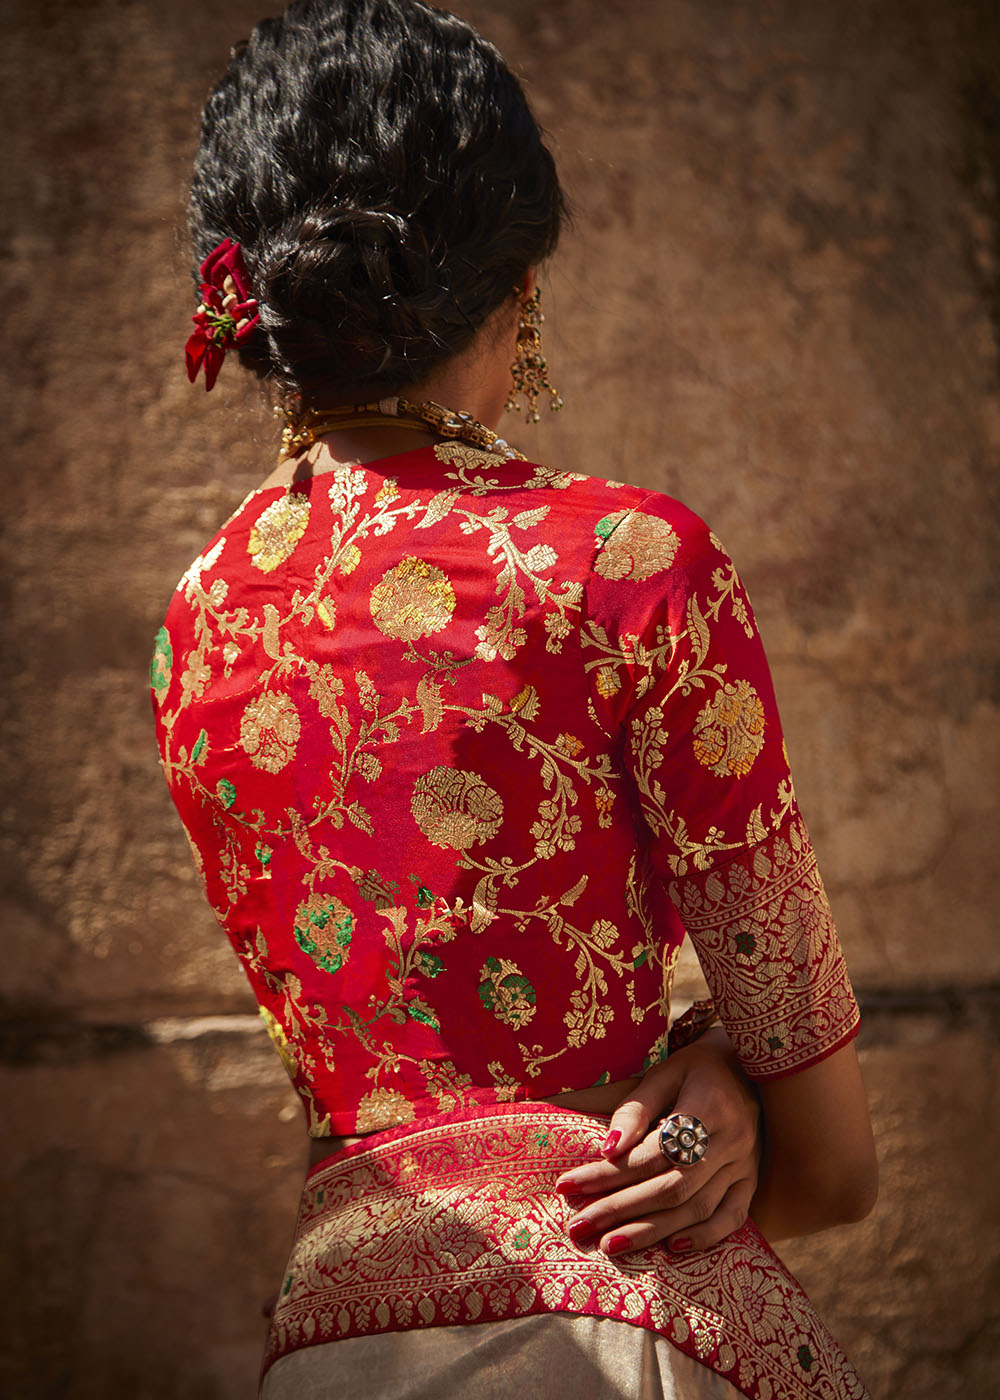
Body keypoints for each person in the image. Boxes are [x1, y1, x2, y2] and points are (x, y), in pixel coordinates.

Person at [151, 1, 878, 1395]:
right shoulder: (625, 566)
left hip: (327, 1350)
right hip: (613, 1328)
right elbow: (833, 1178)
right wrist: (715, 1084)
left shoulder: (197, 619)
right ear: (519, 286)